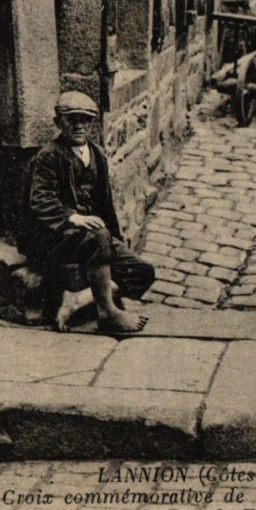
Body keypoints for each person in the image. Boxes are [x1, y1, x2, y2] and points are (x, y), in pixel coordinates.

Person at [21, 91, 155, 334]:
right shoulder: (49, 156)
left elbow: (105, 204)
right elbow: (40, 200)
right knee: (98, 236)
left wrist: (116, 240)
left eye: (86, 119)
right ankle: (107, 312)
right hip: (56, 236)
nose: (79, 125)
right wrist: (74, 218)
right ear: (57, 122)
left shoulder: (97, 155)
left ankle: (78, 299)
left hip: (92, 236)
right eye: (71, 119)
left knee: (142, 272)